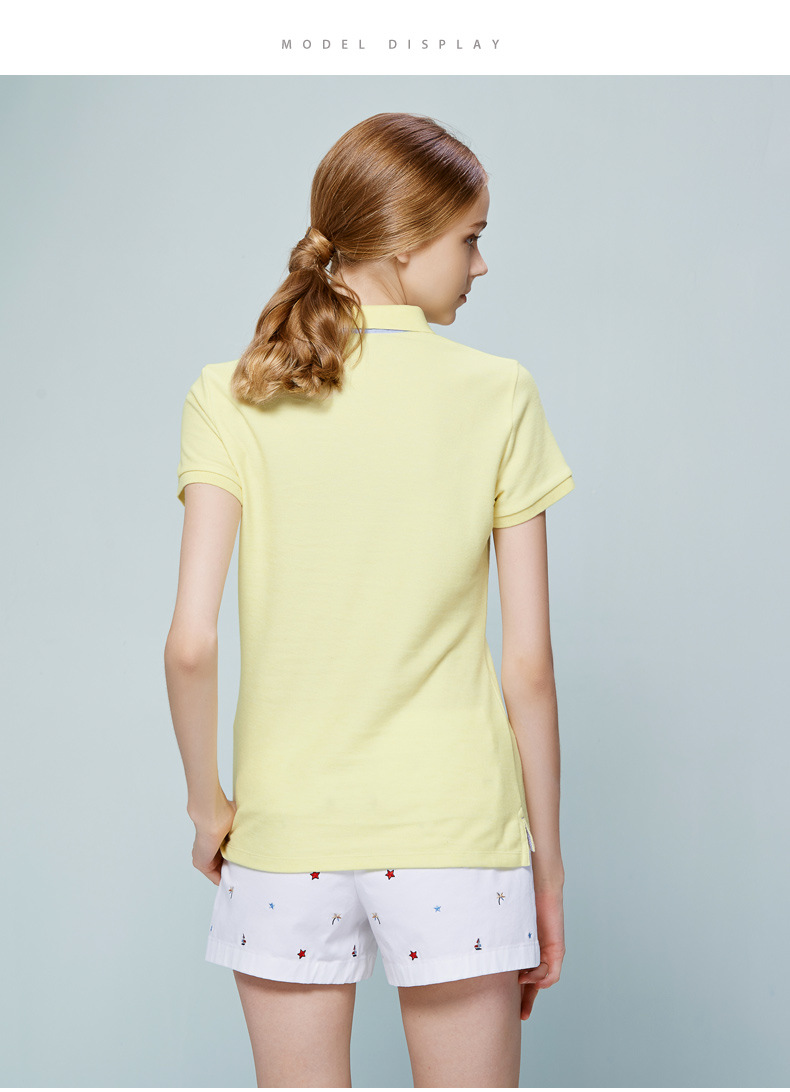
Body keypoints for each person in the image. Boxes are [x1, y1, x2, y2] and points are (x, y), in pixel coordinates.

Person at [165, 112, 575, 1089]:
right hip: (455, 837)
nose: (480, 265)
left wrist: (207, 806)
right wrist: (547, 870)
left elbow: (189, 643)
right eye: (470, 237)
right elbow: (527, 666)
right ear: (402, 242)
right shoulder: (499, 392)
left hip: (284, 836)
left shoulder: (230, 392)